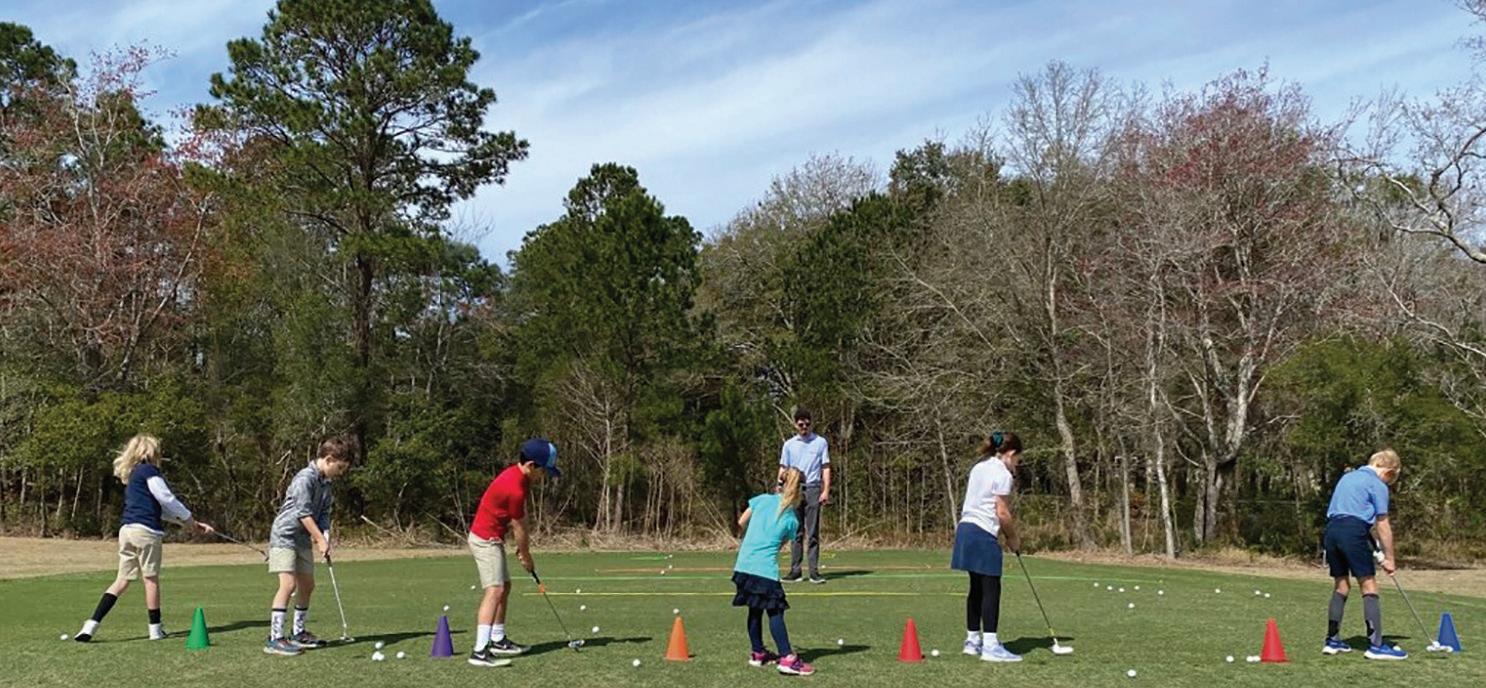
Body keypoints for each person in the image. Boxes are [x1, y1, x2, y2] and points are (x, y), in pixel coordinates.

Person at [74, 435, 215, 642]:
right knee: (150, 579)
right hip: (146, 533)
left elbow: (158, 510)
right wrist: (189, 518)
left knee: (121, 580)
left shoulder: (133, 476)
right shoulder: (149, 471)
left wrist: (191, 524)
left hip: (127, 531)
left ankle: (90, 626)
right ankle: (155, 630)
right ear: (150, 453)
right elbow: (167, 498)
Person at [466, 437, 560, 667]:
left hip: (494, 537)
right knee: (495, 589)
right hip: (484, 539)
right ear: (531, 465)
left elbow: (522, 518)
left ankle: (498, 639)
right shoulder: (514, 487)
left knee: (505, 587)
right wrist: (526, 555)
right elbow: (518, 527)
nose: (544, 476)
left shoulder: (521, 479)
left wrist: (523, 549)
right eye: (543, 471)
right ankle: (479, 651)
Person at [263, 435, 355, 656]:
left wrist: (325, 536)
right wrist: (320, 539)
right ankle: (275, 638)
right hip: (284, 536)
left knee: (307, 584)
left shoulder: (326, 484)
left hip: (303, 538)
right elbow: (303, 513)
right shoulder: (305, 478)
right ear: (329, 459)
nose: (340, 473)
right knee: (288, 584)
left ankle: (298, 632)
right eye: (340, 467)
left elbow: (323, 514)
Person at [1321, 449, 1407, 660]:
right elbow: (1382, 524)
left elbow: (1351, 516)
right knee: (1369, 585)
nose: (1388, 484)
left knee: (1341, 585)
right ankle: (1376, 645)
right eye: (1390, 480)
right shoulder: (1377, 484)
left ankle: (1332, 641)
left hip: (1332, 531)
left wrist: (1377, 552)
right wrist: (1390, 558)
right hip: (1353, 531)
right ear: (1388, 471)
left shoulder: (1347, 477)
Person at [950, 431, 1023, 663]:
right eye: (1018, 459)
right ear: (1010, 454)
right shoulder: (1003, 474)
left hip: (965, 529)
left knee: (976, 588)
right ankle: (990, 646)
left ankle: (972, 641)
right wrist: (1013, 538)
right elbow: (1002, 512)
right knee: (991, 588)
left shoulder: (979, 467)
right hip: (982, 532)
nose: (1017, 465)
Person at [733, 467, 813, 675]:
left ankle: (758, 653)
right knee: (775, 611)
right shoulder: (792, 520)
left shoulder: (760, 500)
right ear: (800, 491)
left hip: (743, 565)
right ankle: (787, 658)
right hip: (764, 570)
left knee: (754, 609)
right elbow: (780, 544)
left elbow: (741, 523)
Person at [778, 407, 830, 583]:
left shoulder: (820, 442)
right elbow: (783, 468)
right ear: (795, 424)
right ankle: (795, 571)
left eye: (807, 424)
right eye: (801, 424)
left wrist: (825, 490)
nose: (804, 427)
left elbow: (825, 467)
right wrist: (780, 485)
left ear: (811, 424)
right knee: (796, 532)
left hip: (813, 488)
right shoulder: (789, 445)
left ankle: (814, 571)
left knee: (813, 532)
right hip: (794, 490)